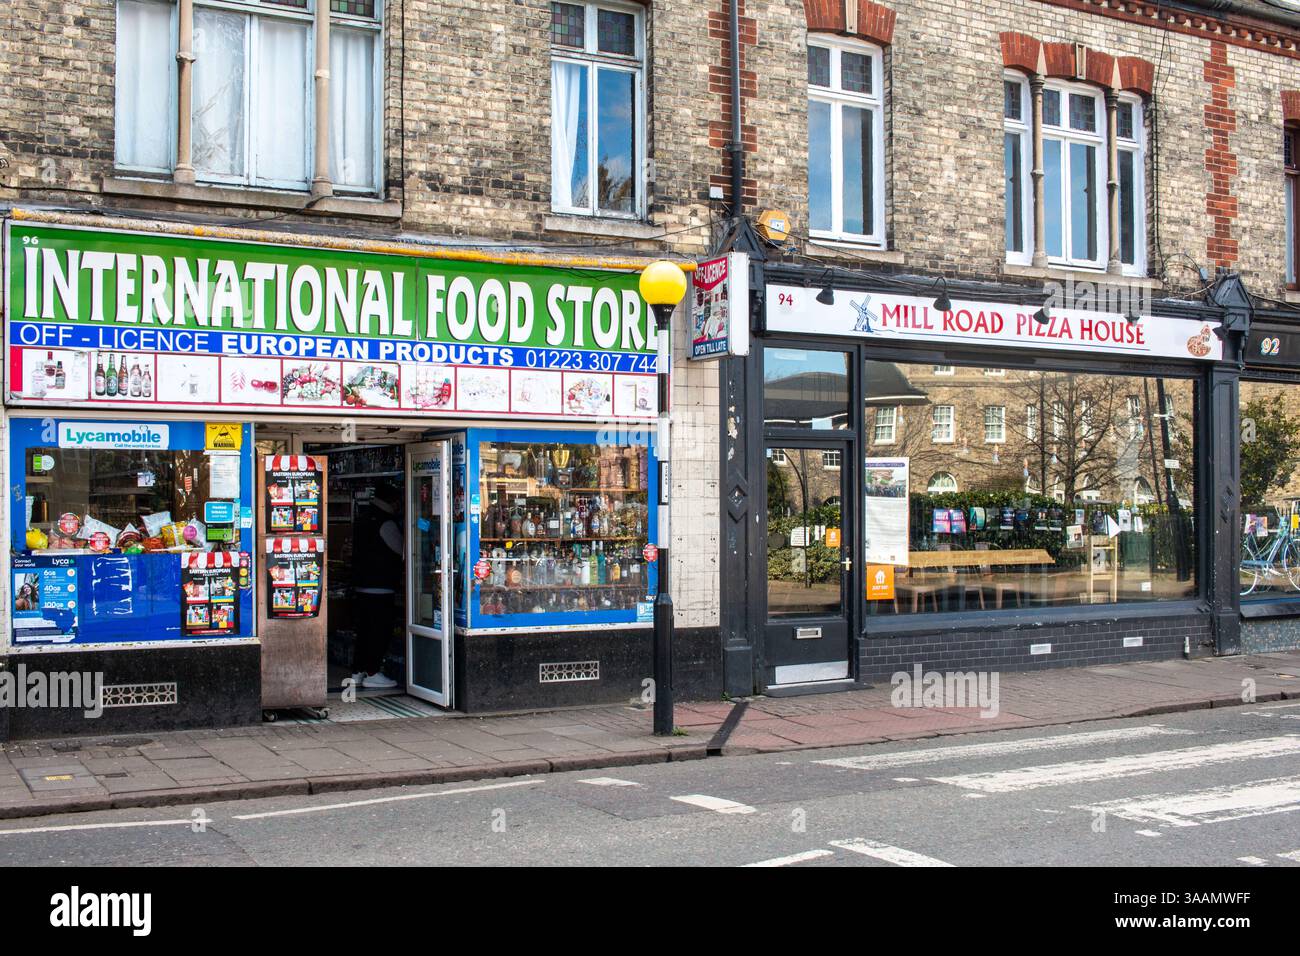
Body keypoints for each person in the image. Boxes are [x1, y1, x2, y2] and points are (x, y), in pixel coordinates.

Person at [351, 480, 403, 689]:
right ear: (393, 501)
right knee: (379, 632)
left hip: (362, 586)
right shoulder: (386, 523)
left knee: (364, 632)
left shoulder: (363, 518)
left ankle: (358, 671)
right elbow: (401, 550)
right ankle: (372, 671)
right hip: (381, 587)